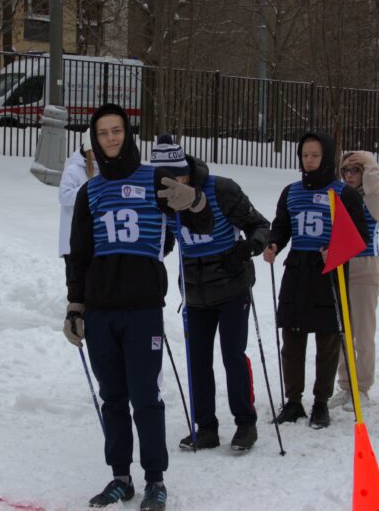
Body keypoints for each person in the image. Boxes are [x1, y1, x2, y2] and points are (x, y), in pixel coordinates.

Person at [63, 104, 212, 511]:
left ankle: (155, 480)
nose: (111, 138)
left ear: (128, 134)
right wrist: (75, 306)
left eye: (117, 131)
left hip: (143, 308)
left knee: (145, 396)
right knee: (112, 395)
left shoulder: (154, 178)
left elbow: (203, 224)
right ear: (95, 141)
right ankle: (120, 478)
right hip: (100, 310)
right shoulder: (89, 191)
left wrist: (193, 200)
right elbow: (78, 255)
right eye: (103, 133)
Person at [149, 135, 270, 452]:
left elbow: (260, 225)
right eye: (167, 176)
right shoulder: (161, 198)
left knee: (232, 356)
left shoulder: (220, 189)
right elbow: (163, 243)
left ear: (188, 167)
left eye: (179, 174)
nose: (176, 182)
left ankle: (246, 423)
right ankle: (206, 428)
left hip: (232, 287)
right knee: (198, 361)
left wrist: (248, 248)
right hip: (194, 293)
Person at [263, 131, 368, 430]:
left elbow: (360, 235)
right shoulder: (291, 192)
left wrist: (334, 250)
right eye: (305, 155)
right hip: (297, 269)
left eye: (315, 155)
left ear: (327, 158)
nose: (308, 161)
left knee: (327, 340)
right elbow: (281, 226)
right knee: (292, 340)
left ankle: (320, 403)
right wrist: (273, 244)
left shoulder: (342, 193)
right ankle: (293, 401)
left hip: (328, 272)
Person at [331, 150, 379, 411]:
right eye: (346, 171)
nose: (350, 175)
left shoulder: (375, 198)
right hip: (341, 265)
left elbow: (374, 184)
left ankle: (361, 388)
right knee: (343, 330)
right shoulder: (340, 196)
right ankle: (345, 385)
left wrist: (365, 160)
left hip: (365, 267)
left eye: (356, 170)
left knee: (363, 333)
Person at [58, 128, 96, 266]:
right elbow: (63, 196)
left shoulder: (103, 170)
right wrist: (88, 190)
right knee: (77, 285)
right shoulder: (74, 169)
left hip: (93, 243)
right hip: (73, 243)